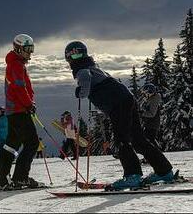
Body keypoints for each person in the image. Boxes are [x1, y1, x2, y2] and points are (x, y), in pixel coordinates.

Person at [64, 40, 174, 190]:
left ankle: (133, 176)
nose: (75, 59)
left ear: (68, 58)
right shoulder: (94, 67)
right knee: (138, 139)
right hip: (127, 98)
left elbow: (84, 90)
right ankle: (164, 171)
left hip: (118, 104)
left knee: (122, 140)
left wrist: (79, 92)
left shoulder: (82, 70)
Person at [0, 34, 40, 190]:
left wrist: (28, 103)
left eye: (31, 49)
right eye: (27, 49)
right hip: (19, 110)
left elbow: (20, 88)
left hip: (14, 111)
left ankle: (1, 179)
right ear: (18, 48)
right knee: (32, 143)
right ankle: (20, 178)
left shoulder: (16, 63)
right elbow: (19, 87)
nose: (30, 53)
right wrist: (28, 104)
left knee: (11, 145)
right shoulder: (16, 65)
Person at [139, 83, 162, 148]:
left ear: (150, 92)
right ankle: (153, 155)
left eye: (145, 93)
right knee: (149, 140)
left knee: (149, 140)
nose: (144, 95)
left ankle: (156, 155)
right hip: (150, 124)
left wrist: (142, 113)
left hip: (152, 124)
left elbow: (152, 114)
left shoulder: (154, 100)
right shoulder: (151, 99)